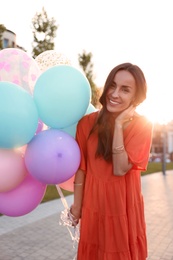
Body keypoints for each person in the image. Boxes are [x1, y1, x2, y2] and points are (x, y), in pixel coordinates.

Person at [70, 62, 153, 260]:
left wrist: (118, 126)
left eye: (125, 90)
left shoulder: (142, 126)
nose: (115, 94)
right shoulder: (87, 123)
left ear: (136, 97)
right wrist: (77, 207)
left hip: (123, 207)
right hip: (94, 206)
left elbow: (120, 168)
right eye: (112, 86)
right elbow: (81, 170)